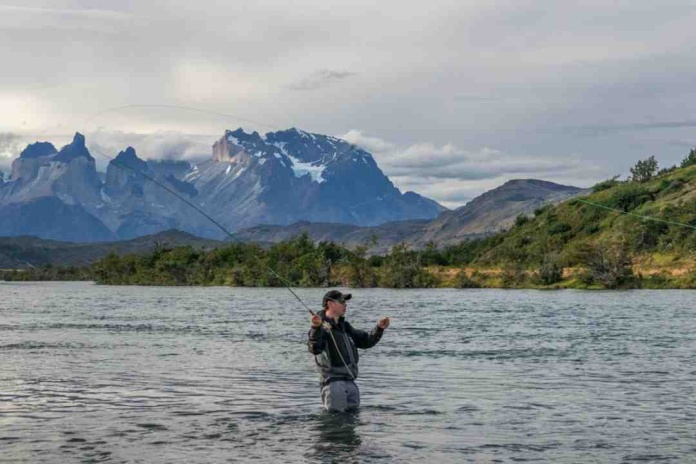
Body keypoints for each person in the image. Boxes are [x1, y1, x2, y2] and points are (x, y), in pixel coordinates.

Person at [307, 289, 390, 412]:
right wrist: (315, 327)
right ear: (330, 304)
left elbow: (366, 341)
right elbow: (314, 348)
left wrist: (379, 328)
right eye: (341, 301)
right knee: (336, 423)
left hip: (350, 383)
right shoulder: (321, 328)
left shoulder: (345, 327)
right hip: (333, 384)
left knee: (352, 422)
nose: (345, 304)